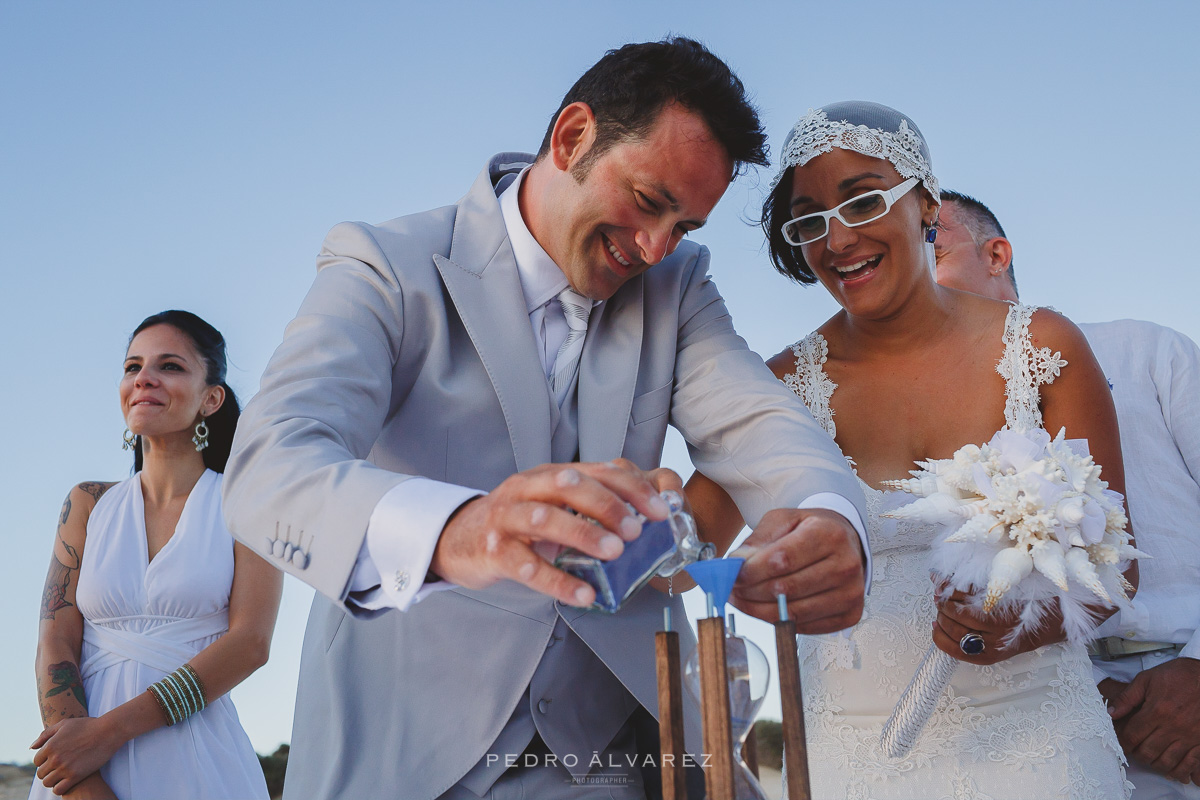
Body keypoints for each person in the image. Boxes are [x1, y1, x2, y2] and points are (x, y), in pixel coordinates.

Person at [222, 38, 869, 800]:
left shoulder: (678, 287)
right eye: (650, 201)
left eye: (684, 227)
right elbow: (270, 468)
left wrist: (831, 514)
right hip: (413, 752)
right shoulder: (384, 265)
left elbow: (758, 421)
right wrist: (464, 530)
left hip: (633, 752)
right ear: (572, 138)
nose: (657, 248)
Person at [687, 102, 1134, 798]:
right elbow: (684, 552)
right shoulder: (781, 387)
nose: (836, 240)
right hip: (849, 762)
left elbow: (1115, 570)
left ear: (926, 202)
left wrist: (1009, 627)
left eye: (862, 201)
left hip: (1044, 751)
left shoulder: (1044, 346)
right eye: (809, 222)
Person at [936, 190, 1200, 798]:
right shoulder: (928, 433)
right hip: (1048, 735)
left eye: (933, 247)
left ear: (996, 254)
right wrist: (1072, 691)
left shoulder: (1146, 351)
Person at [29, 310, 282, 800]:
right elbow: (55, 642)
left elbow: (251, 643)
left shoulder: (249, 502)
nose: (144, 377)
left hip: (198, 765)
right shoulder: (87, 503)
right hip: (78, 766)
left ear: (212, 399)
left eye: (169, 366)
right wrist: (81, 781)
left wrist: (107, 734)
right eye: (132, 366)